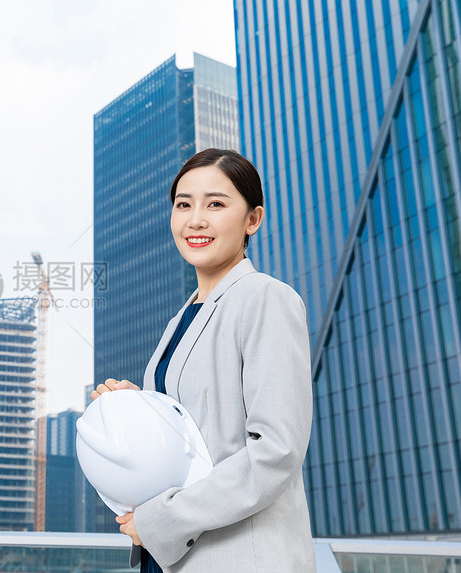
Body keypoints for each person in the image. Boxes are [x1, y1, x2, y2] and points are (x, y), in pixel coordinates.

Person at [91, 148, 316, 572]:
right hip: (174, 555)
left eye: (216, 204)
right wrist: (140, 408)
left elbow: (276, 452)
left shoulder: (267, 298)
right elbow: (195, 434)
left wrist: (161, 519)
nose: (196, 219)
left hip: (241, 558)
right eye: (183, 205)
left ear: (253, 220)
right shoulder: (182, 318)